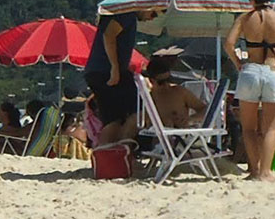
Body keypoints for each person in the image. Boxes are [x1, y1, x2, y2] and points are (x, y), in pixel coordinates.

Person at [224, 0, 275, 180]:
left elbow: (229, 44)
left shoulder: (244, 18)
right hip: (273, 71)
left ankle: (254, 170)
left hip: (250, 71)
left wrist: (238, 63)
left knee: (248, 127)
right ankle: (265, 172)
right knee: (270, 128)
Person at [87, 9, 159, 150]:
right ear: (146, 6)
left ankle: (108, 154)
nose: (153, 18)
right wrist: (115, 67)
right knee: (137, 112)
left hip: (98, 71)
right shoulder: (126, 14)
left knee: (113, 117)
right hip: (108, 70)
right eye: (154, 13)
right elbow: (109, 35)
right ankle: (121, 149)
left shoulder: (120, 13)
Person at [145, 55, 205, 131]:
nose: (167, 85)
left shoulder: (180, 92)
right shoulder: (147, 99)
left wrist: (191, 119)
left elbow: (205, 109)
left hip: (180, 137)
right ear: (151, 81)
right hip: (156, 137)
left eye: (169, 80)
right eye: (161, 82)